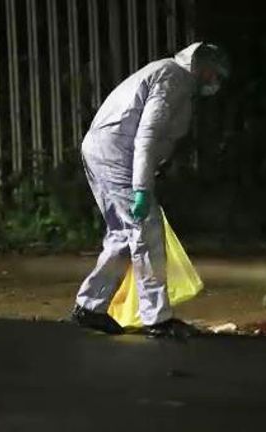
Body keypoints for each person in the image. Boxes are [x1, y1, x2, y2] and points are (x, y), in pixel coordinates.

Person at [71, 42, 229, 337]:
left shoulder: (171, 76)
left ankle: (90, 307)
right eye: (213, 72)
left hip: (104, 149)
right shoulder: (174, 78)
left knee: (123, 234)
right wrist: (142, 188)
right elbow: (148, 134)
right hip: (116, 154)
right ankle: (157, 319)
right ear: (201, 65)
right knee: (147, 230)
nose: (214, 80)